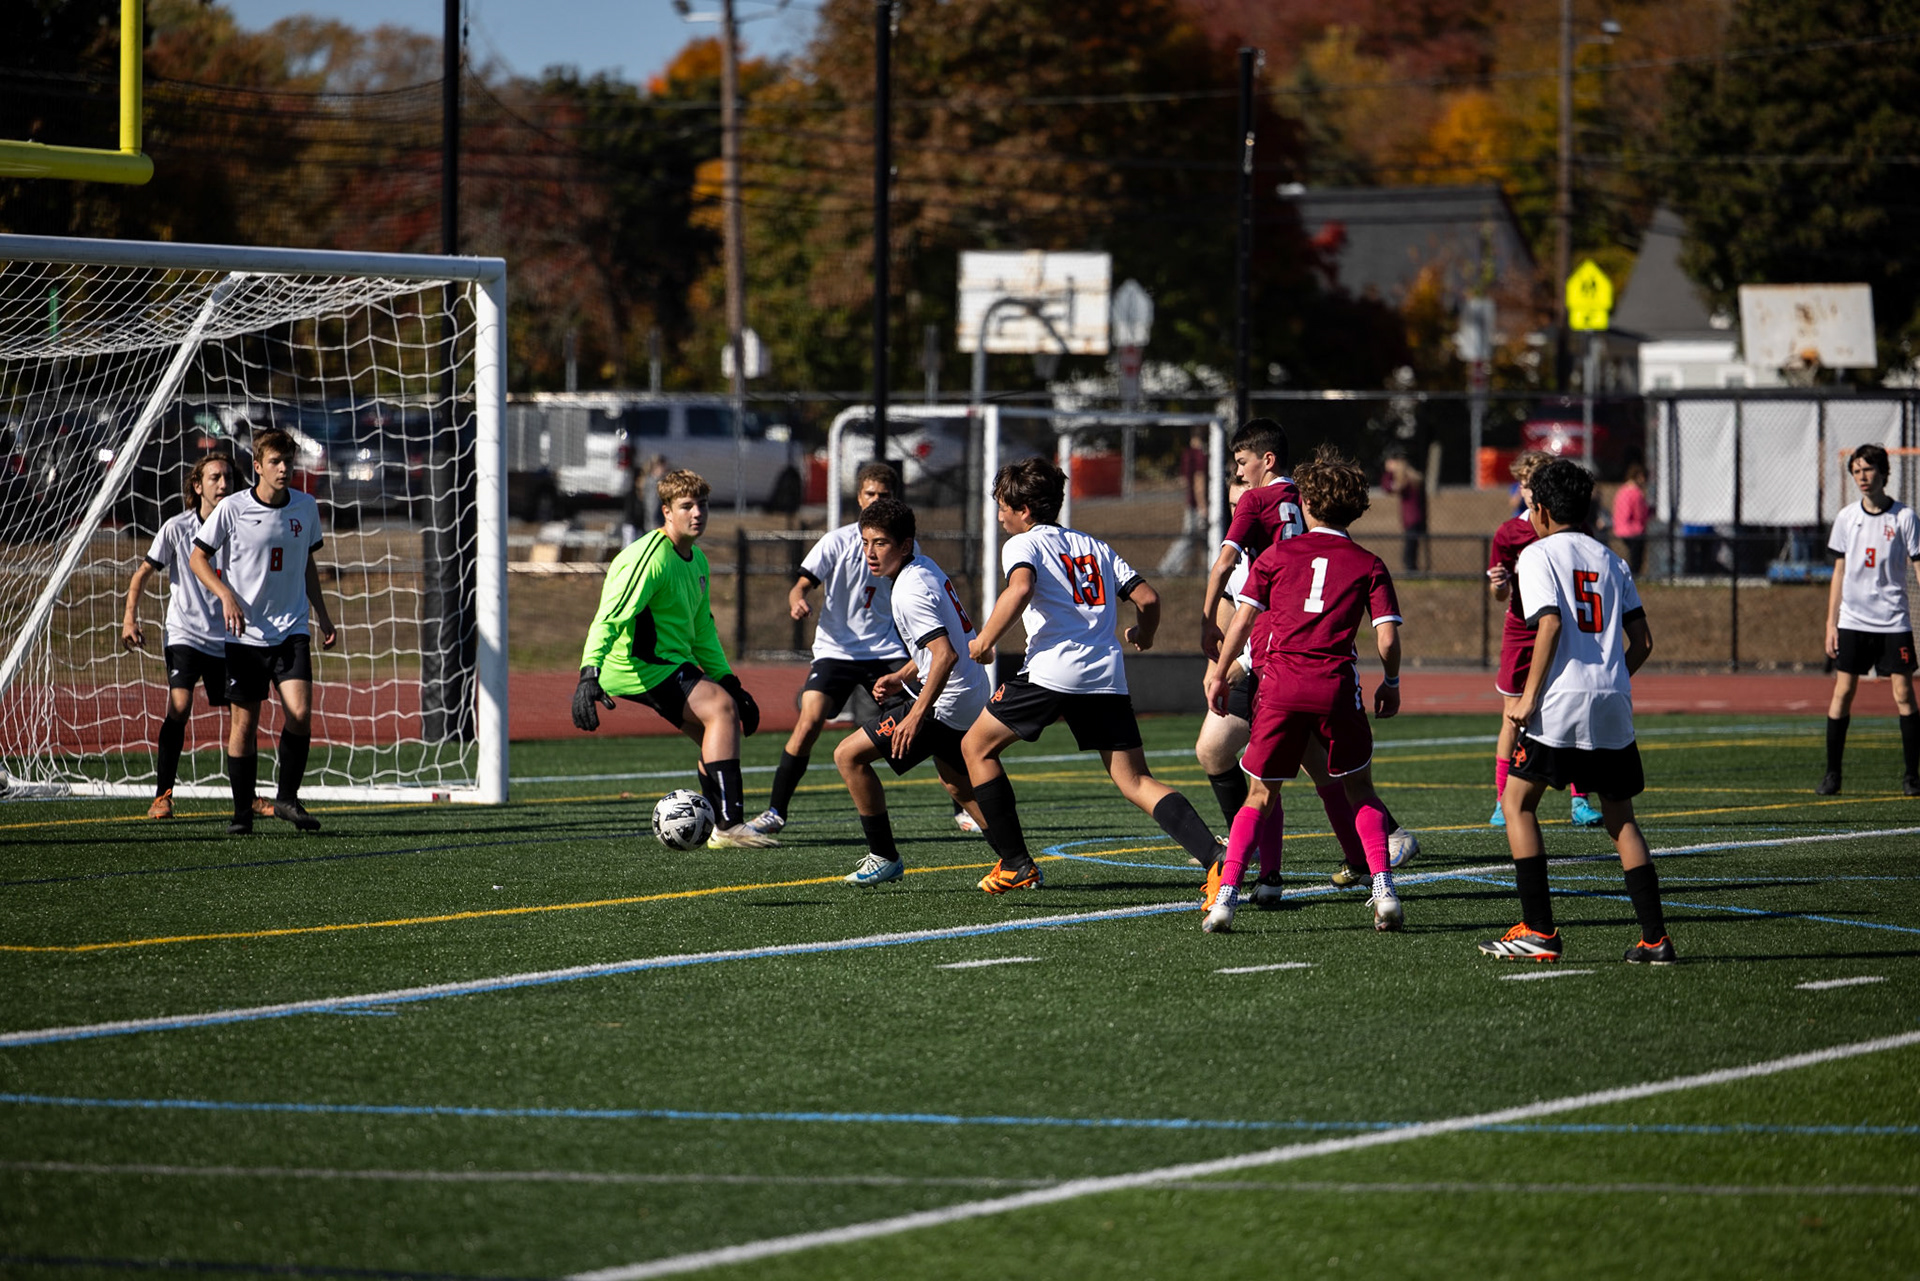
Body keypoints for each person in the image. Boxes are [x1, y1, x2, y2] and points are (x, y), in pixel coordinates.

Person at [963, 457, 1221, 893]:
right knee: (1135, 780)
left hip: (1051, 673)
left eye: (1003, 505)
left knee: (975, 747)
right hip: (1106, 677)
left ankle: (1015, 863)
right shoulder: (1095, 546)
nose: (1000, 514)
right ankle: (1215, 858)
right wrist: (1145, 633)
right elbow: (1149, 597)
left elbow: (1021, 588)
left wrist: (986, 640)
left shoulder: (1023, 544)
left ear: (1025, 509)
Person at [1195, 419, 1417, 891]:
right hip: (1312, 661)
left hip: (1275, 653)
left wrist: (1217, 657)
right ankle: (1368, 864)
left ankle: (1250, 872)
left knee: (1256, 774)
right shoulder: (1349, 552)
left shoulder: (1269, 536)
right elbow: (1387, 637)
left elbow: (1240, 601)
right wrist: (1392, 682)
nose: (1239, 489)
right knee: (1316, 767)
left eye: (1241, 471)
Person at [1478, 459, 1672, 964]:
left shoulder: (1538, 555)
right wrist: (1609, 680)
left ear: (1539, 510)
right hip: (1612, 701)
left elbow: (1549, 626)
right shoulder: (1613, 559)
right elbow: (1643, 642)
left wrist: (1527, 699)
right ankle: (1656, 938)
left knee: (1518, 804)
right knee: (1621, 820)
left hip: (1559, 701)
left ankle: (1539, 930)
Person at [571, 468, 774, 848]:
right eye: (686, 506)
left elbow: (703, 631)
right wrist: (589, 673)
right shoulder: (647, 558)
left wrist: (730, 681)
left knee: (715, 733)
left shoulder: (697, 561)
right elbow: (610, 617)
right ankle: (731, 825)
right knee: (721, 710)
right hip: (636, 667)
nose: (697, 512)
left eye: (703, 504)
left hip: (666, 664)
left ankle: (716, 826)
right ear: (666, 511)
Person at [832, 497, 993, 885]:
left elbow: (944, 655)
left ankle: (883, 856)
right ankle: (1016, 858)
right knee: (958, 785)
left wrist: (916, 714)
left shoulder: (908, 590)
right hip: (967, 691)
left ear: (904, 546)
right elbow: (941, 647)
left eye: (881, 543)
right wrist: (904, 673)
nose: (870, 553)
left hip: (947, 700)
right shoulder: (924, 568)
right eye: (865, 542)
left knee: (848, 756)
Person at [745, 463, 912, 836]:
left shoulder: (903, 548)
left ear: (893, 499)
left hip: (884, 649)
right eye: (871, 494)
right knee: (809, 720)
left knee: (923, 718)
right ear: (859, 497)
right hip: (836, 651)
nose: (876, 501)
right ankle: (775, 811)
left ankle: (959, 809)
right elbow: (801, 583)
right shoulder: (838, 541)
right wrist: (797, 598)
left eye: (884, 496)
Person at [189, 431, 339, 836]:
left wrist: (322, 615)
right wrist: (225, 595)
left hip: (291, 629)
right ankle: (242, 813)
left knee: (301, 712)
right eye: (275, 462)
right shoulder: (233, 508)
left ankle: (287, 799)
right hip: (244, 635)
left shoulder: (306, 507)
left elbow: (307, 563)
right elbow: (197, 558)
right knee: (245, 725)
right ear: (257, 466)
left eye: (288, 461)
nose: (284, 468)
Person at [1488, 450, 1604, 829]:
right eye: (1523, 483)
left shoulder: (1574, 533)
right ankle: (1502, 797)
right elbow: (1500, 593)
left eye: (1533, 482)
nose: (1527, 490)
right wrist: (1500, 586)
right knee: (1512, 716)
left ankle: (1579, 799)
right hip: (1522, 629)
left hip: (1560, 627)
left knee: (1573, 712)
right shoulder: (1509, 533)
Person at [122, 453, 238, 819]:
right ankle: (163, 796)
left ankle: (246, 796)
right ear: (197, 485)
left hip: (227, 639)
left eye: (227, 478)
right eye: (215, 477)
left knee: (242, 712)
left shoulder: (241, 524)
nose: (223, 484)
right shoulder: (177, 528)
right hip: (185, 634)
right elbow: (141, 574)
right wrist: (129, 619)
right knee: (180, 706)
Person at [1817, 443, 1920, 796]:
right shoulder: (1847, 517)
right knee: (1843, 692)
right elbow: (1839, 572)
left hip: (1893, 620)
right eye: (1857, 470)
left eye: (1868, 469)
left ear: (1884, 472)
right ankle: (1833, 775)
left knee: (1904, 693)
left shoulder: (1905, 517)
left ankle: (1911, 776)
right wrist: (1831, 623)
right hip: (1853, 620)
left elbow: (1918, 566)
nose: (1862, 476)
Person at [1380, 450, 1426, 574]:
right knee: (1413, 545)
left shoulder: (1405, 482)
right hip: (1417, 517)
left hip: (1411, 518)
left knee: (1410, 546)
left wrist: (1389, 472)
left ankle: (1410, 570)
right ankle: (1412, 568)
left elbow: (1388, 487)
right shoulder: (1414, 479)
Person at [1612, 463, 1649, 577]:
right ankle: (1635, 576)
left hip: (1620, 528)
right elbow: (1639, 514)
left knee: (1630, 556)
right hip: (1634, 530)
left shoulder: (1622, 490)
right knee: (1636, 558)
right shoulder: (1636, 493)